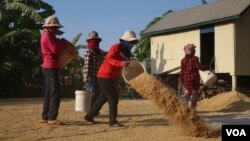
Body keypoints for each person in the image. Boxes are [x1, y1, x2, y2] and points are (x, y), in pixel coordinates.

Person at [84, 30, 138, 127]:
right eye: (131, 42)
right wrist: (122, 63)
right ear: (125, 41)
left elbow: (127, 64)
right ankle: (112, 121)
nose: (132, 45)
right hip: (104, 74)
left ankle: (89, 116)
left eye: (133, 43)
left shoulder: (127, 53)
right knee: (113, 97)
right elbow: (109, 59)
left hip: (110, 76)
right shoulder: (116, 47)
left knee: (103, 98)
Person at [40, 15, 68, 125]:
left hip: (49, 67)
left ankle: (45, 116)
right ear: (48, 27)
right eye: (54, 27)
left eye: (57, 27)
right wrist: (63, 41)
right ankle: (52, 118)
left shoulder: (49, 36)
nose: (56, 29)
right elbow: (55, 50)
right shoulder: (48, 36)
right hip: (51, 67)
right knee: (55, 92)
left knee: (49, 92)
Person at [180, 44, 209, 110]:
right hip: (194, 80)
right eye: (194, 50)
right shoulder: (195, 58)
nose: (195, 51)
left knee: (187, 94)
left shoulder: (183, 61)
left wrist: (182, 81)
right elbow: (199, 67)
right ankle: (193, 110)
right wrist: (207, 67)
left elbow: (182, 72)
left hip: (186, 80)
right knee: (194, 95)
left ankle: (185, 109)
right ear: (192, 51)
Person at [82, 31, 102, 110]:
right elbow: (86, 65)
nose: (95, 42)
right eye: (93, 40)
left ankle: (92, 110)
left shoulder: (96, 51)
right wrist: (86, 77)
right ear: (90, 41)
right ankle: (89, 111)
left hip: (95, 75)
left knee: (95, 93)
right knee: (90, 93)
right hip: (90, 76)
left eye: (96, 40)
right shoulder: (88, 51)